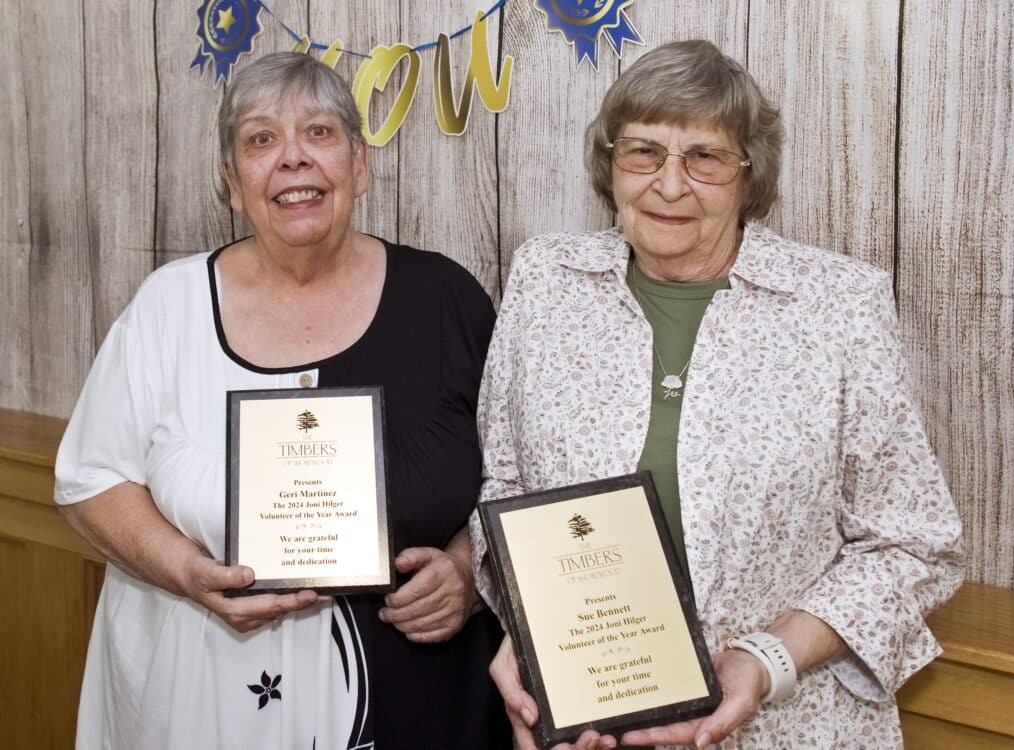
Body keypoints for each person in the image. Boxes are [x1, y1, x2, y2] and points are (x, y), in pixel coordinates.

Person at [470, 40, 964, 749]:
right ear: (610, 165)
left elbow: (916, 544)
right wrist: (527, 636)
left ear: (748, 174)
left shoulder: (837, 306)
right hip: (589, 730)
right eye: (643, 151)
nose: (670, 184)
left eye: (704, 157)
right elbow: (508, 489)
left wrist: (767, 661)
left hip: (788, 728)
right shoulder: (546, 282)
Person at [55, 52, 509, 750]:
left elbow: (514, 474)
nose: (293, 159)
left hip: (423, 702)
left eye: (319, 133)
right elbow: (91, 478)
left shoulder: (445, 299)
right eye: (261, 140)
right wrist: (185, 572)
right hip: (202, 700)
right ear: (231, 183)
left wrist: (465, 568)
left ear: (360, 164)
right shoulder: (169, 307)